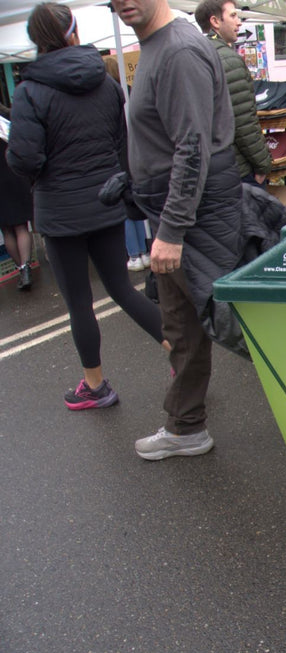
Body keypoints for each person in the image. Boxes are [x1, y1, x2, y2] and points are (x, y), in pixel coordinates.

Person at [6, 3, 169, 410]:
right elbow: (121, 143)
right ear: (73, 32)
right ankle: (180, 354)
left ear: (35, 39)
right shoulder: (106, 81)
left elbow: (24, 159)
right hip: (106, 199)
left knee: (79, 302)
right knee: (122, 289)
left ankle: (95, 387)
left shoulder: (29, 91)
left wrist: (42, 171)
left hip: (59, 211)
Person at [116, 0, 242, 459]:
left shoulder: (178, 50)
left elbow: (193, 147)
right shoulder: (156, 44)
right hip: (181, 211)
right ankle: (186, 427)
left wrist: (171, 230)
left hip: (195, 217)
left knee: (242, 327)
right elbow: (171, 139)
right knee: (183, 325)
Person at [195, 0, 273, 187]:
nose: (239, 22)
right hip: (238, 169)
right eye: (232, 15)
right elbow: (243, 122)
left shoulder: (195, 54)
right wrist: (263, 165)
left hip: (208, 167)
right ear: (215, 21)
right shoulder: (228, 60)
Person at [101, 53, 151, 272]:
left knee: (126, 206)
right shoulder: (130, 91)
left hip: (121, 155)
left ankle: (134, 254)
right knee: (135, 202)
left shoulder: (107, 95)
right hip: (139, 152)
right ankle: (143, 251)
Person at [0, 103, 35, 291]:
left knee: (7, 230)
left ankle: (21, 270)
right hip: (14, 174)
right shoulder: (8, 116)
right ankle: (27, 266)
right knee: (21, 227)